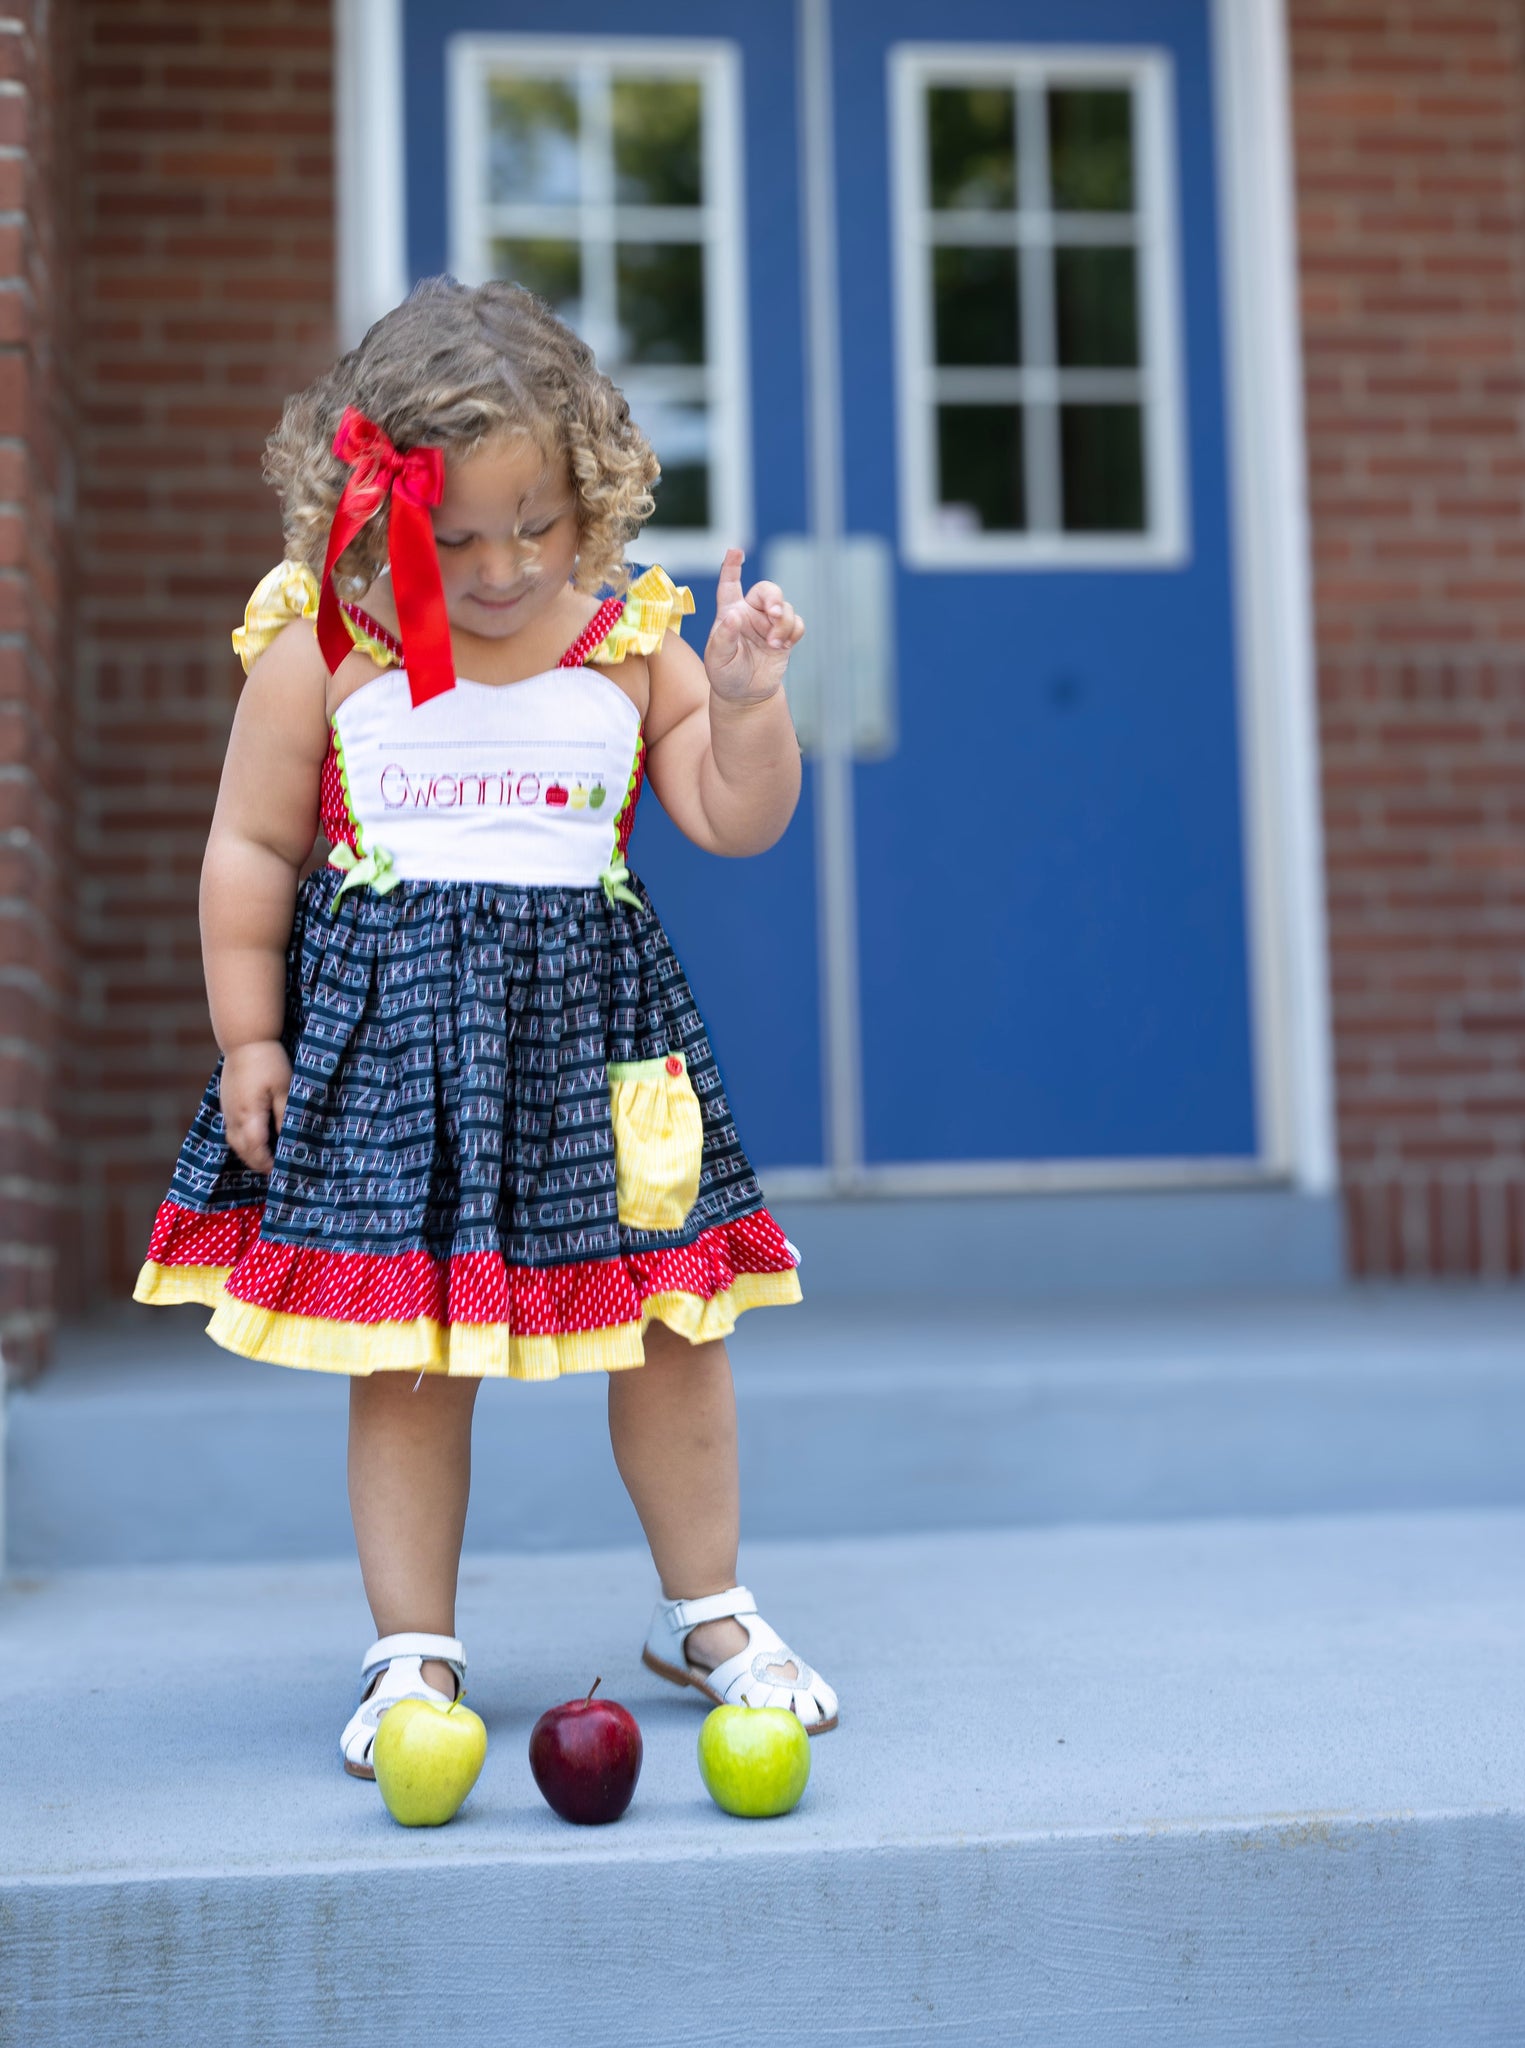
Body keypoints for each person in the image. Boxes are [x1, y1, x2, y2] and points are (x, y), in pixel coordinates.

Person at [133, 276, 837, 1776]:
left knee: (675, 1330)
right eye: (456, 539)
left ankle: (706, 1611)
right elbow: (251, 854)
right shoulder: (323, 647)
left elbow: (729, 814)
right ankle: (412, 1656)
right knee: (404, 1355)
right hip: (397, 1065)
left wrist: (748, 700)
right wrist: (250, 1038)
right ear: (371, 511)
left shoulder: (628, 643)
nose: (505, 567)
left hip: (615, 1061)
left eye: (539, 525)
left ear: (593, 495)